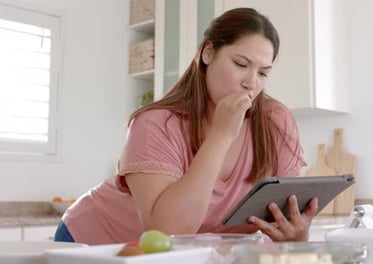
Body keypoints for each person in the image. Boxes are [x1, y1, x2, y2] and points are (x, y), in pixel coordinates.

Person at [54, 7, 317, 245]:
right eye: (240, 64)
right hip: (97, 240)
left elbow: (286, 214)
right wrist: (220, 136)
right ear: (208, 53)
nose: (251, 83)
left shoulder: (275, 122)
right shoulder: (156, 123)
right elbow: (167, 232)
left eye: (263, 73)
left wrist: (296, 235)